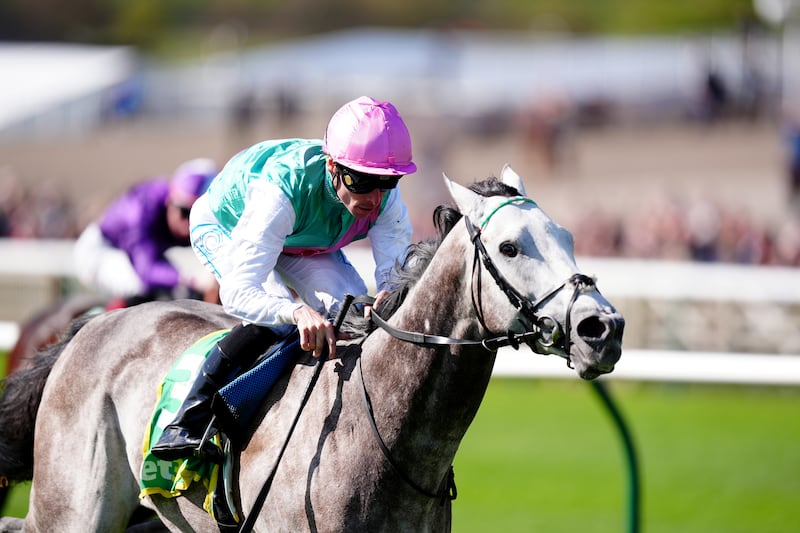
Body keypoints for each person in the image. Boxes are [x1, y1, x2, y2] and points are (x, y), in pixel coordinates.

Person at [151, 95, 417, 461]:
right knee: (275, 321)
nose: (373, 197)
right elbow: (240, 292)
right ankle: (188, 419)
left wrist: (388, 299)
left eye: (386, 182)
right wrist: (294, 311)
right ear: (333, 166)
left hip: (302, 242)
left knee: (352, 312)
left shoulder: (385, 196)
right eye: (362, 181)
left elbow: (395, 280)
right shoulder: (281, 190)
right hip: (228, 225)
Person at [74, 158, 218, 306]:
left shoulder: (177, 205)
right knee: (142, 286)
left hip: (139, 256)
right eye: (185, 212)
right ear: (170, 201)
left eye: (199, 214)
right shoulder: (141, 211)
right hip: (99, 252)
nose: (190, 223)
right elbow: (146, 272)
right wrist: (192, 279)